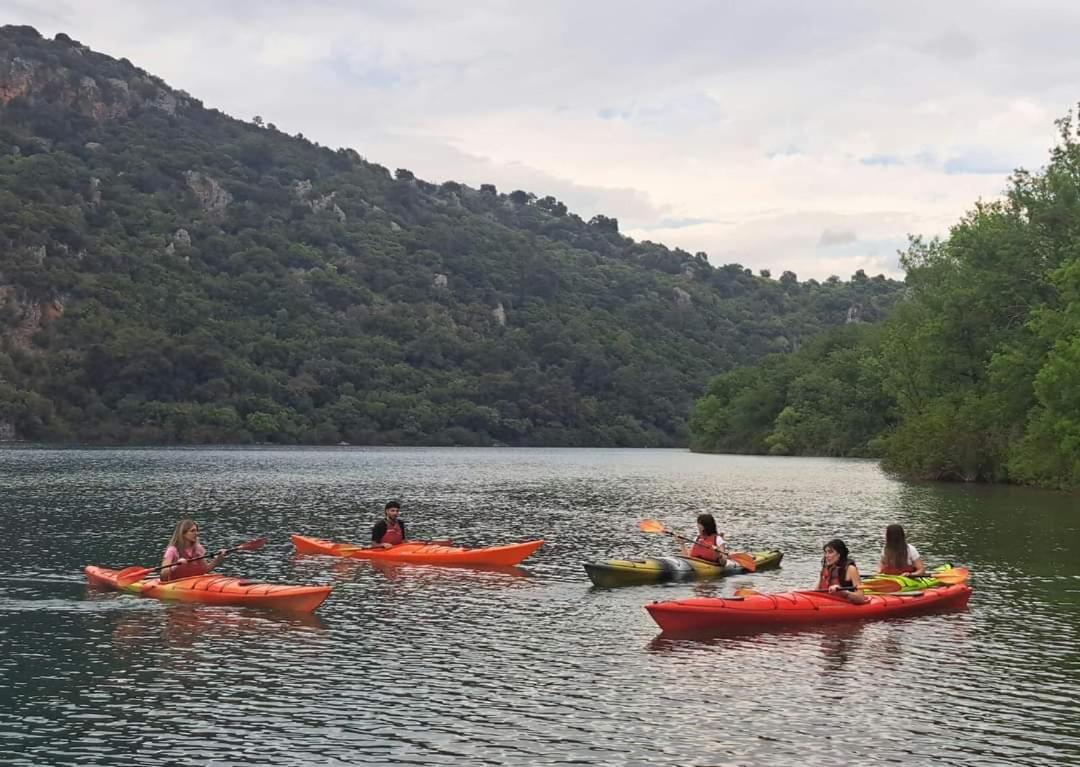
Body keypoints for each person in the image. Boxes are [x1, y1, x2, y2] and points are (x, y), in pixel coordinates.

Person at [160, 519, 226, 582]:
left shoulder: (198, 548)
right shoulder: (172, 550)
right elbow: (162, 575)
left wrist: (218, 558)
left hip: (196, 584)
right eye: (192, 531)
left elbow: (206, 569)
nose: (196, 533)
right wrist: (175, 566)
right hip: (176, 585)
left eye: (197, 530)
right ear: (183, 533)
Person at [818, 538, 867, 604]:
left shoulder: (850, 569)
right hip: (824, 603)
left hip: (844, 604)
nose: (826, 556)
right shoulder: (825, 569)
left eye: (830, 552)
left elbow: (861, 598)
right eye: (825, 552)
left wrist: (843, 592)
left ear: (839, 554)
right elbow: (817, 591)